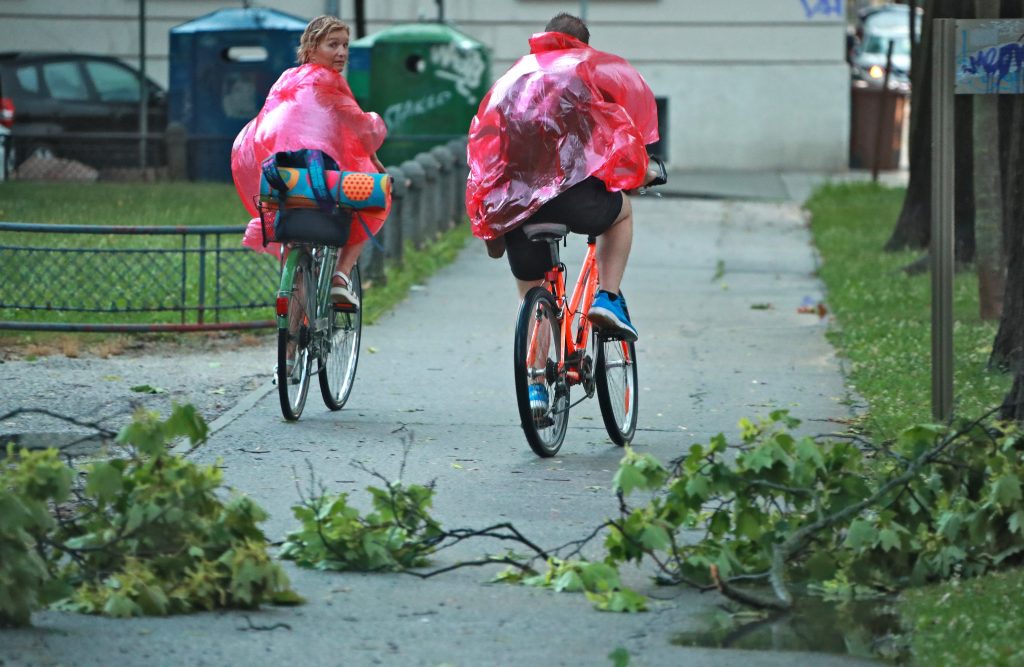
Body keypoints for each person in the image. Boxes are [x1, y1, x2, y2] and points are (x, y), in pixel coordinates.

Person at [465, 13, 660, 413]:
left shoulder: (513, 83)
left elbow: (488, 151)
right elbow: (609, 143)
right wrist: (641, 170)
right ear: (583, 46)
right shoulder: (585, 78)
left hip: (514, 207)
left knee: (531, 294)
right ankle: (607, 298)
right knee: (620, 215)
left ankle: (535, 385)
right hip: (573, 200)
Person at [231, 15, 388, 307]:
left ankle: (291, 334)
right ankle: (341, 275)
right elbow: (360, 127)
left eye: (345, 45)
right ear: (312, 47)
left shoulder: (286, 78)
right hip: (320, 180)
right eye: (333, 45)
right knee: (378, 197)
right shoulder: (330, 81)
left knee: (293, 238)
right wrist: (375, 144)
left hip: (279, 178)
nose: (341, 52)